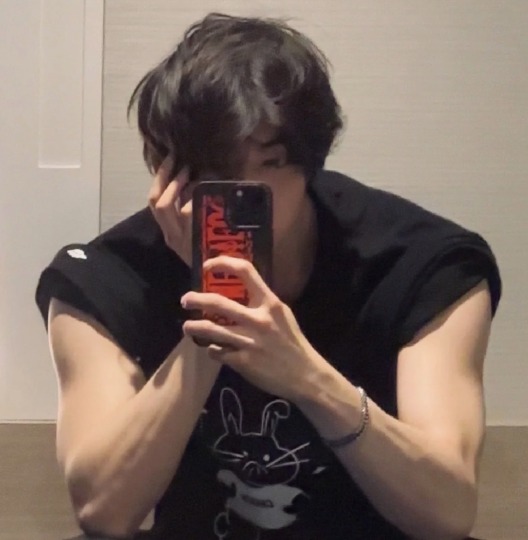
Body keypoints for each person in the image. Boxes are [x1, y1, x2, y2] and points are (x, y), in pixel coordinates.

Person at [36, 13, 501, 540]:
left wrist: (309, 379)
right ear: (167, 173)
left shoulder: (421, 264)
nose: (243, 191)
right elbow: (103, 510)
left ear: (309, 161)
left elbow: (448, 511)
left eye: (269, 162)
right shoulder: (107, 278)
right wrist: (216, 316)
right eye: (214, 170)